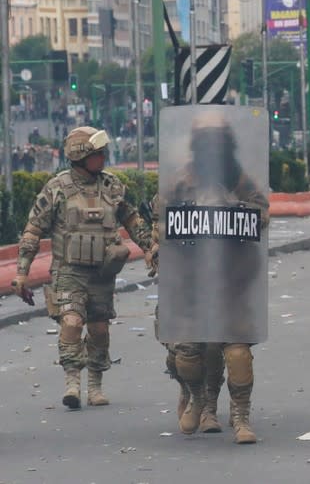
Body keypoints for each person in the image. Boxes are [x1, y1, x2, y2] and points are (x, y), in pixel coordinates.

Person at [11, 126, 156, 409]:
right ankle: (72, 382)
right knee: (71, 323)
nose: (103, 157)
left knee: (100, 330)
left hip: (102, 273)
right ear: (81, 155)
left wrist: (150, 248)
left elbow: (132, 220)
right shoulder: (57, 188)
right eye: (98, 153)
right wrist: (21, 273)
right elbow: (32, 231)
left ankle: (95, 385)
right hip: (68, 272)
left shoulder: (112, 186)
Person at [161, 111, 269, 444]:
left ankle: (240, 416)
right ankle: (198, 398)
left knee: (237, 355)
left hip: (231, 283)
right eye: (205, 142)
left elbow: (262, 214)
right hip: (191, 285)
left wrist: (234, 208)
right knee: (188, 356)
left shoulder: (240, 181)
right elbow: (160, 224)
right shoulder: (180, 182)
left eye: (218, 142)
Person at [149, 195, 227, 434]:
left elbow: (255, 219)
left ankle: (207, 406)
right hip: (183, 285)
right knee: (179, 356)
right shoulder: (173, 191)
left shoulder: (230, 187)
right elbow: (157, 233)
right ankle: (191, 389)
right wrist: (155, 251)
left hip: (219, 284)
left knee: (214, 347)